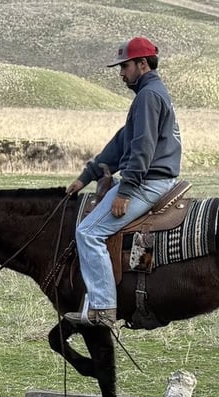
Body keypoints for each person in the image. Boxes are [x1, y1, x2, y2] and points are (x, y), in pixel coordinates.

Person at [64, 36, 182, 328]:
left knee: (88, 233)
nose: (121, 73)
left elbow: (142, 148)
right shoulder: (151, 94)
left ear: (142, 64)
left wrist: (125, 191)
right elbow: (121, 144)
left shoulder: (148, 97)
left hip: (147, 182)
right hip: (155, 178)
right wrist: (86, 177)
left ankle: (103, 308)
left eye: (125, 66)